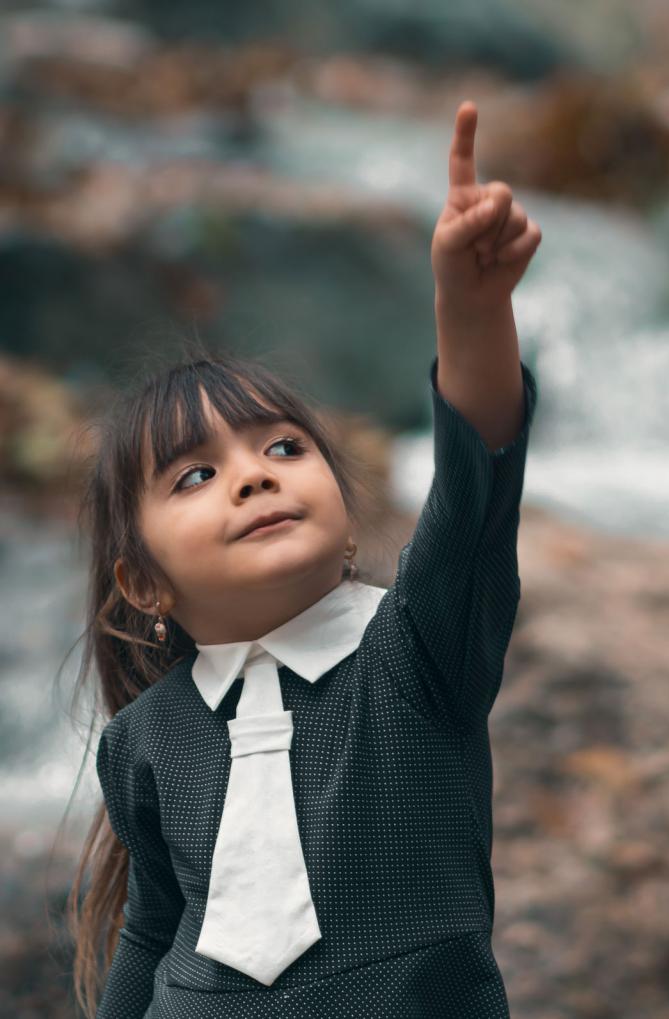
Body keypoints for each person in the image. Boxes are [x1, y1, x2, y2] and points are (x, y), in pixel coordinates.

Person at [69, 99, 541, 1018]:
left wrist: (470, 310)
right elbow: (154, 930)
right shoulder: (143, 741)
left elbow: (476, 497)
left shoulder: (416, 652)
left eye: (283, 448)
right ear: (143, 582)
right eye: (196, 474)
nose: (254, 477)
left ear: (348, 513)